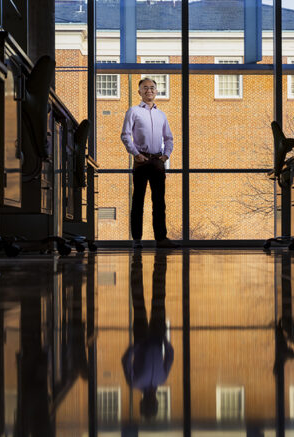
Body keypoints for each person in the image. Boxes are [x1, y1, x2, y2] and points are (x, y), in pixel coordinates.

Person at [121, 78, 180, 249]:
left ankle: (161, 239)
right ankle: (137, 240)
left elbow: (169, 138)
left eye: (152, 88)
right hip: (141, 160)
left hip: (157, 161)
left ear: (156, 91)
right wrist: (136, 154)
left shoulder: (161, 115)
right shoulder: (133, 111)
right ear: (139, 92)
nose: (149, 90)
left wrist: (166, 155)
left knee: (159, 202)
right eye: (145, 88)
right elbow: (125, 135)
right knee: (138, 201)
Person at [121, 252, 173, 418]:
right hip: (156, 339)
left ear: (144, 402)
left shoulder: (135, 383)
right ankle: (157, 268)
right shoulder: (161, 380)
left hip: (143, 339)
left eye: (149, 403)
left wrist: (137, 346)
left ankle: (136, 266)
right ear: (155, 402)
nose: (152, 401)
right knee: (157, 299)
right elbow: (170, 357)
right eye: (153, 403)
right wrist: (164, 340)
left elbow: (125, 361)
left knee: (140, 302)